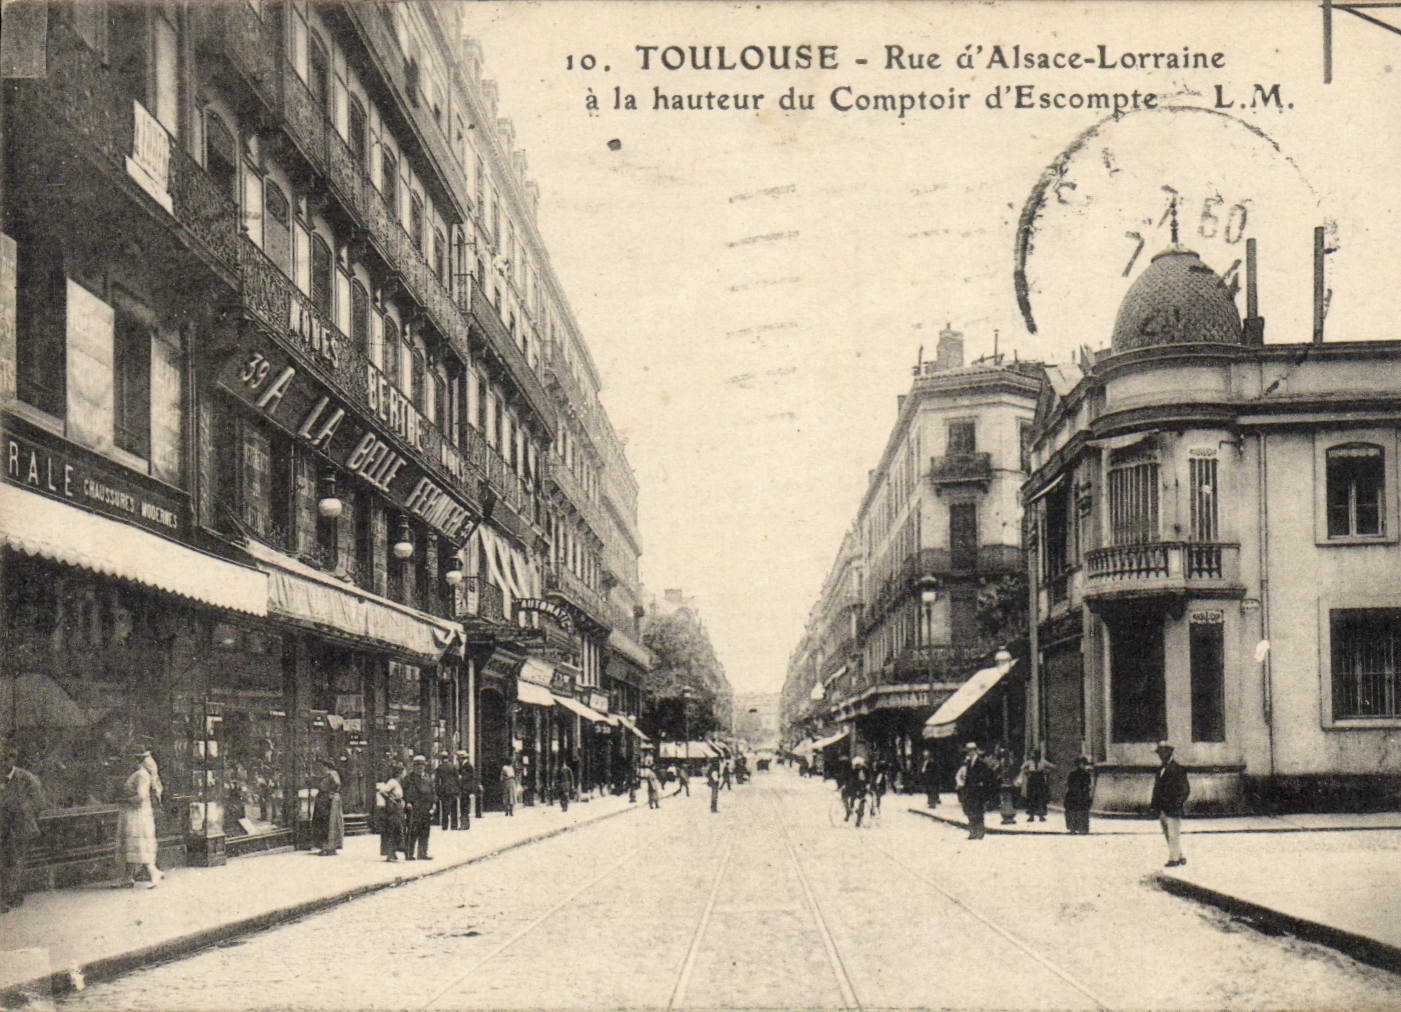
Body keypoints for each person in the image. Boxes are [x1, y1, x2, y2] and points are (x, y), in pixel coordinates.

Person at [0, 741, 46, 912]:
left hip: (19, 828)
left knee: (15, 862)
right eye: (1, 758)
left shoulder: (27, 779)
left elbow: (39, 803)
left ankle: (10, 895)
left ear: (14, 758)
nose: (3, 761)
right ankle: (7, 896)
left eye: (8, 757)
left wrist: (24, 816)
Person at [118, 749, 164, 889]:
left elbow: (141, 797)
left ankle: (153, 873)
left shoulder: (142, 775)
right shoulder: (138, 774)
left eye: (130, 759)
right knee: (131, 845)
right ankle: (128, 877)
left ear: (136, 760)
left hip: (137, 814)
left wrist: (124, 800)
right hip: (134, 813)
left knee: (138, 844)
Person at [1150, 741, 1191, 867]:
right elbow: (1156, 789)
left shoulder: (1178, 769)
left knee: (1173, 834)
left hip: (1173, 807)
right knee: (1168, 833)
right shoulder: (1160, 770)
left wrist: (1177, 803)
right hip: (1162, 808)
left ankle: (1173, 859)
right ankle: (1179, 855)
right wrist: (1154, 806)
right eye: (1159, 753)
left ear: (1169, 753)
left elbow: (1185, 789)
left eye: (1163, 753)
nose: (1161, 756)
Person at [956, 742, 997, 840]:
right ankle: (973, 831)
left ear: (975, 751)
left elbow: (986, 776)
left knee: (978, 811)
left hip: (978, 791)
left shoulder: (981, 763)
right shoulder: (968, 763)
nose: (969, 753)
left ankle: (980, 831)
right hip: (969, 791)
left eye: (971, 751)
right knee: (970, 811)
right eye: (968, 751)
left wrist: (981, 783)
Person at [402, 755, 436, 860]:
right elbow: (405, 793)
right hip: (414, 808)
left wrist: (433, 805)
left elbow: (432, 793)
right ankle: (409, 853)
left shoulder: (428, 779)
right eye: (418, 766)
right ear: (414, 767)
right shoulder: (409, 779)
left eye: (422, 766)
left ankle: (422, 853)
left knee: (425, 831)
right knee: (413, 831)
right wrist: (407, 803)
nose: (420, 768)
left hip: (426, 808)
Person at [311, 758, 344, 856]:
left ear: (326, 766)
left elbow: (337, 784)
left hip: (327, 800)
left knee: (327, 823)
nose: (321, 768)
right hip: (323, 799)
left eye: (322, 766)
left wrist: (331, 792)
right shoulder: (325, 775)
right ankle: (327, 847)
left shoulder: (331, 773)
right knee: (323, 823)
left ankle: (328, 847)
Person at [376, 763, 406, 862]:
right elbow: (382, 791)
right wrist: (391, 800)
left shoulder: (397, 783)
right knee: (392, 829)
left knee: (397, 829)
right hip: (393, 809)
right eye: (403, 772)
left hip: (398, 809)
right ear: (399, 773)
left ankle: (393, 852)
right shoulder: (392, 782)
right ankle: (390, 853)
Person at [1019, 747, 1056, 822]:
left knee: (1040, 798)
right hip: (1032, 781)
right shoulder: (1029, 762)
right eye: (1033, 755)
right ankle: (1031, 816)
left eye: (1036, 754)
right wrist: (1027, 773)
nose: (1035, 756)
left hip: (1040, 781)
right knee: (1031, 798)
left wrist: (1046, 771)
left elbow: (1053, 767)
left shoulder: (1042, 762)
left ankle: (1041, 815)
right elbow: (1022, 767)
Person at [1064, 756, 1095, 835]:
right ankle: (1073, 828)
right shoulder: (1073, 774)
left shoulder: (1086, 774)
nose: (1083, 766)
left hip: (1081, 794)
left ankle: (1081, 828)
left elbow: (1088, 785)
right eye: (1081, 764)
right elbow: (1069, 784)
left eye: (1084, 764)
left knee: (1082, 812)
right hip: (1075, 794)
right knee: (1074, 812)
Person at [435, 753, 461, 831]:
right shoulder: (453, 766)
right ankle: (454, 825)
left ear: (441, 759)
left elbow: (437, 781)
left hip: (444, 790)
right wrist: (458, 789)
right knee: (454, 808)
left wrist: (438, 792)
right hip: (453, 790)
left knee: (445, 809)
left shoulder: (440, 768)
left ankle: (445, 825)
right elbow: (457, 779)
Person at [993, 744, 1018, 825]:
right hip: (1005, 782)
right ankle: (1007, 815)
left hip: (1007, 782)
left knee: (1006, 799)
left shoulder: (1007, 762)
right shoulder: (1004, 762)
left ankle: (1008, 815)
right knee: (1006, 799)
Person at [844, 756, 872, 826]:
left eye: (858, 765)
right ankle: (849, 812)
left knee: (861, 802)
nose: (857, 766)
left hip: (861, 788)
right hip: (855, 788)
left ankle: (858, 819)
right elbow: (849, 779)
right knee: (851, 799)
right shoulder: (853, 770)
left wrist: (866, 786)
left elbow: (867, 779)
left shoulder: (864, 770)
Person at [459, 756, 479, 828]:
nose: (459, 760)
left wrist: (461, 778)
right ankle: (465, 824)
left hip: (465, 789)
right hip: (465, 789)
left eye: (459, 758)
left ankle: (464, 824)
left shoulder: (468, 766)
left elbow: (469, 777)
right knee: (464, 806)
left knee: (464, 806)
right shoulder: (465, 766)